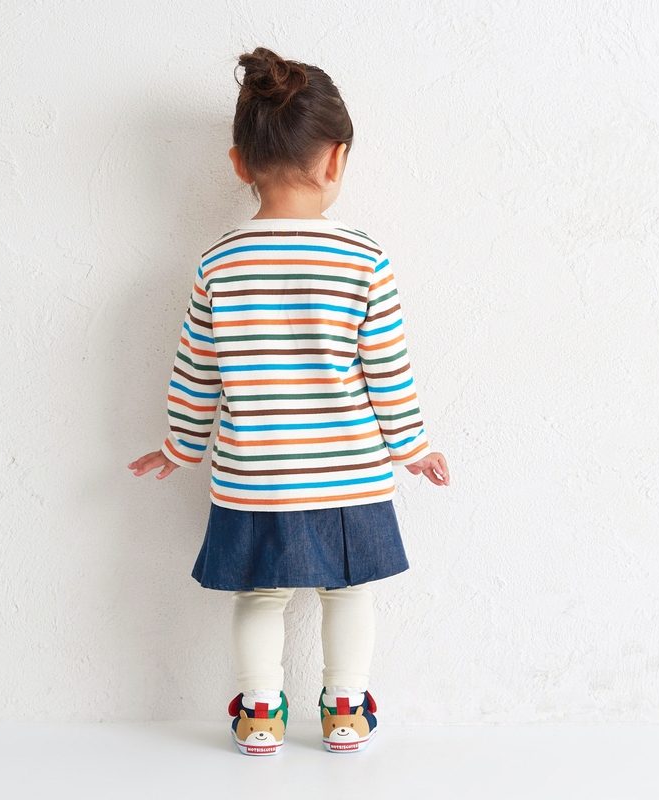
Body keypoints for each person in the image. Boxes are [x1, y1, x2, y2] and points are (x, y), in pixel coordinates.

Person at [128, 46, 450, 756]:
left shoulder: (219, 263)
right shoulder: (364, 259)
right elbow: (387, 371)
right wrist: (414, 447)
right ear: (337, 159)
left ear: (238, 163)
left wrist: (179, 447)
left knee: (260, 595)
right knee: (350, 593)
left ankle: (259, 714)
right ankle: (345, 711)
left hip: (256, 477)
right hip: (348, 474)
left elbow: (197, 372)